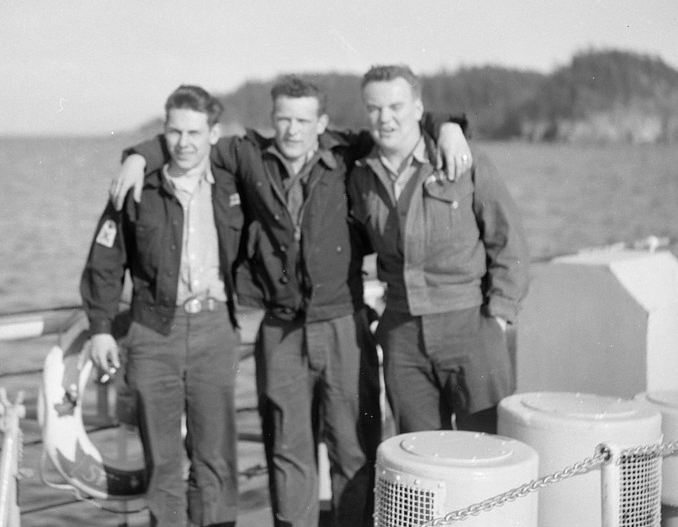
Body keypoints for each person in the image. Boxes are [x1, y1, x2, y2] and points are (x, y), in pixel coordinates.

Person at [111, 76, 472, 527]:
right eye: (283, 119)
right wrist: (138, 157)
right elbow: (188, 142)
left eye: (303, 120)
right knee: (287, 451)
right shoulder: (247, 156)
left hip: (342, 323)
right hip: (281, 330)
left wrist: (449, 127)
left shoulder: (347, 152)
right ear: (272, 119)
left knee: (353, 450)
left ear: (321, 122)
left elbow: (404, 128)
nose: (292, 130)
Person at [80, 85, 246, 527]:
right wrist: (99, 327)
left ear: (214, 133)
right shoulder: (138, 187)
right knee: (163, 460)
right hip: (154, 332)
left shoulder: (234, 182)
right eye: (174, 132)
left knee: (215, 458)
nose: (184, 143)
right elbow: (104, 262)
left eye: (195, 132)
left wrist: (138, 151)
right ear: (163, 133)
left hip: (215, 328)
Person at [347, 64, 529, 435]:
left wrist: (498, 316)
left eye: (396, 107)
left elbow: (508, 242)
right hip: (402, 334)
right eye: (374, 109)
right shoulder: (361, 176)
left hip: (471, 324)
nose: (385, 119)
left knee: (487, 444)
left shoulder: (462, 160)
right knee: (421, 451)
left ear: (418, 109)